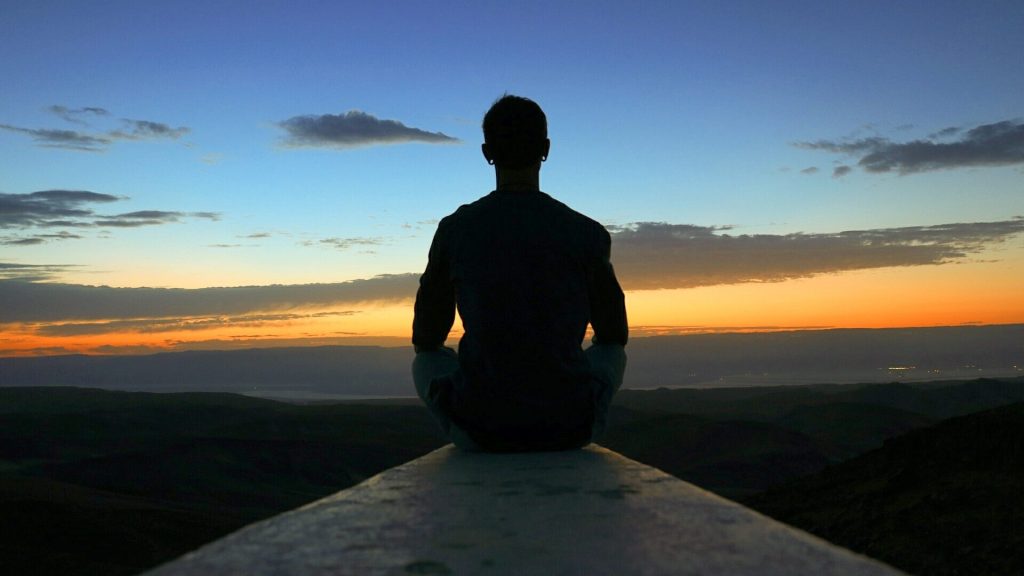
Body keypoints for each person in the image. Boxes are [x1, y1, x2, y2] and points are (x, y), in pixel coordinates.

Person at [412, 94, 627, 452]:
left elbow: (426, 338)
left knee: (428, 361)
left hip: (480, 429)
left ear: (487, 153)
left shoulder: (456, 230)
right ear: (546, 149)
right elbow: (613, 334)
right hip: (570, 427)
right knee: (610, 352)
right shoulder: (587, 232)